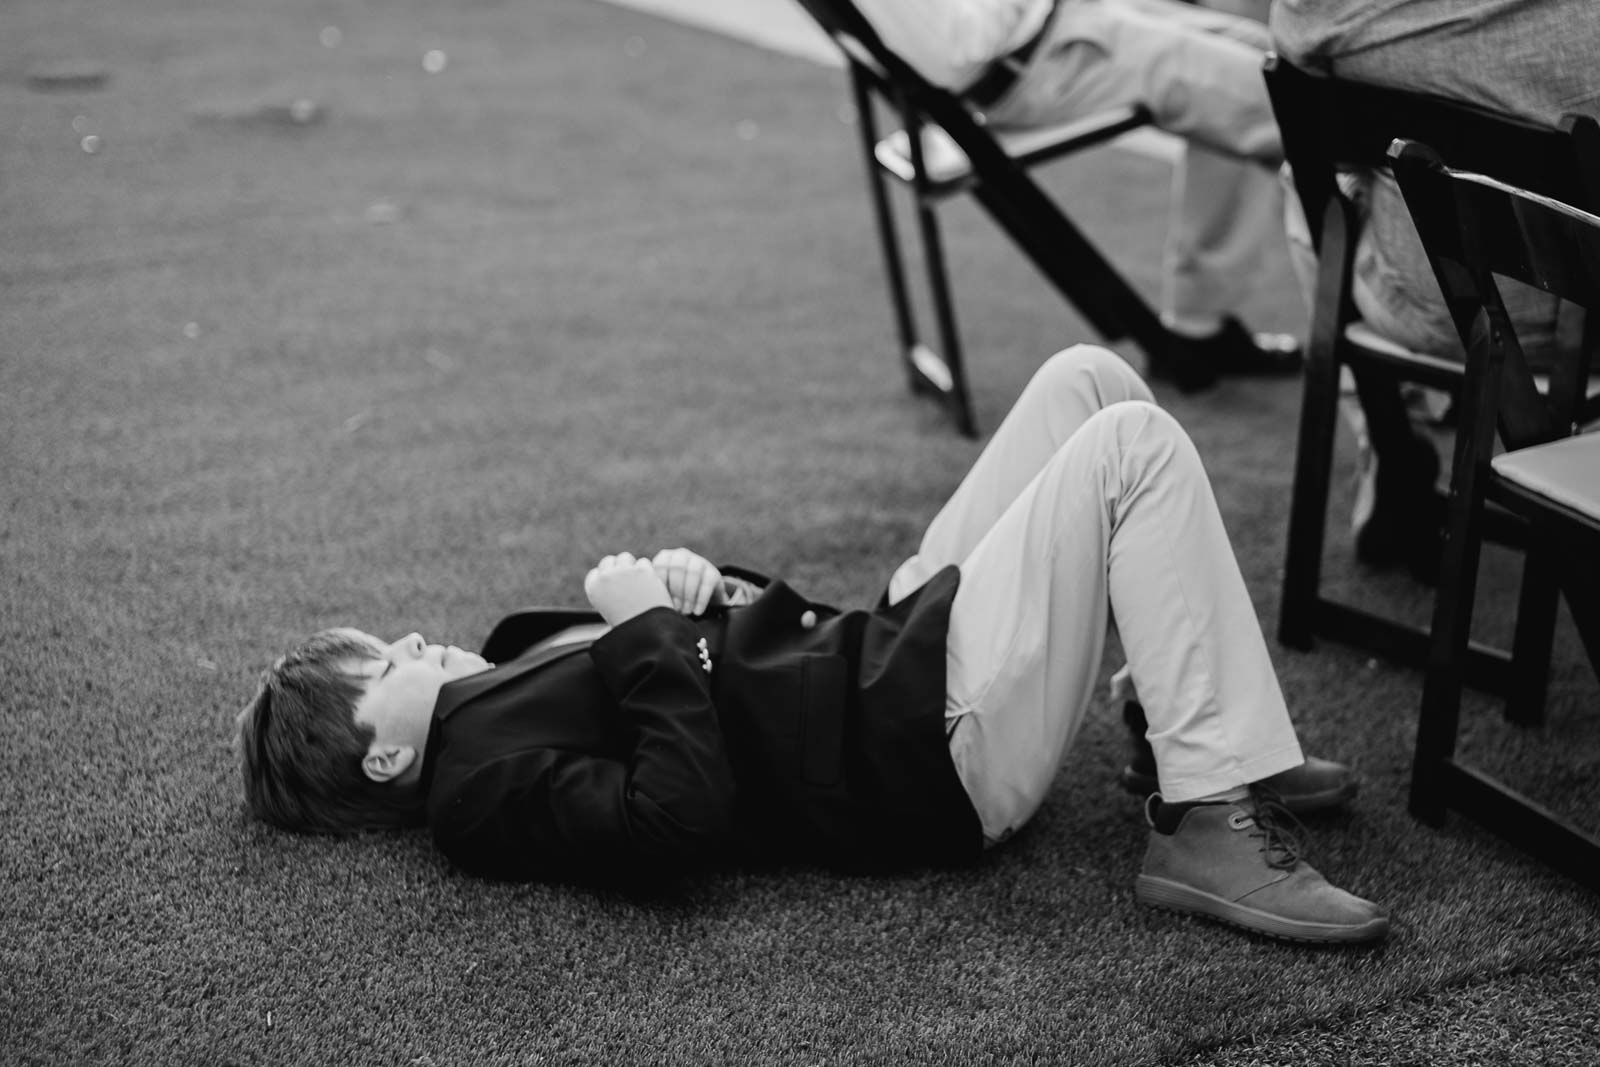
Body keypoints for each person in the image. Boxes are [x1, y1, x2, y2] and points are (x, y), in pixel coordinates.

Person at [237, 344, 1387, 944]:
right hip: (924, 745)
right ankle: (1202, 817)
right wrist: (646, 628)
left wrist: (698, 586)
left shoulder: (509, 650)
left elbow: (701, 660)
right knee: (1130, 446)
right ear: (386, 758)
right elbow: (673, 816)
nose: (409, 642)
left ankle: (1190, 728)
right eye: (382, 670)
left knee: (1088, 382)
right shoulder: (474, 793)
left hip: (877, 645)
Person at [1271, 0, 1599, 575]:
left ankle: (1391, 449)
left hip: (1461, 311)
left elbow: (1293, 30)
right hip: (1587, 313)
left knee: (1317, 192)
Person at [846, 0, 1302, 392]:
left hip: (1061, 29)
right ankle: (1363, 336)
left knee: (1273, 54)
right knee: (1295, 101)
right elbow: (957, 50)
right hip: (1044, 65)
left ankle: (1199, 326)